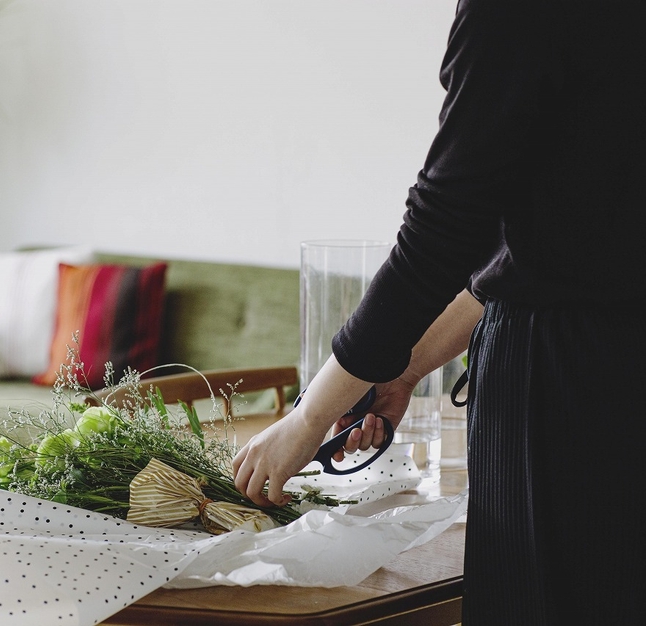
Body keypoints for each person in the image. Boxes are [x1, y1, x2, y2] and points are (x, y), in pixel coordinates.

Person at [232, 1, 646, 623]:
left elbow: (446, 225)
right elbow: (542, 253)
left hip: (573, 389)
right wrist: (397, 372)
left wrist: (310, 416)